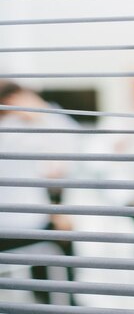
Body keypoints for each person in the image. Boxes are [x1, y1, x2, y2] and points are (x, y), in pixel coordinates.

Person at [0, 80, 79, 305]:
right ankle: (63, 299)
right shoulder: (23, 132)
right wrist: (41, 114)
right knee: (64, 234)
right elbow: (68, 154)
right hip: (23, 230)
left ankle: (43, 292)